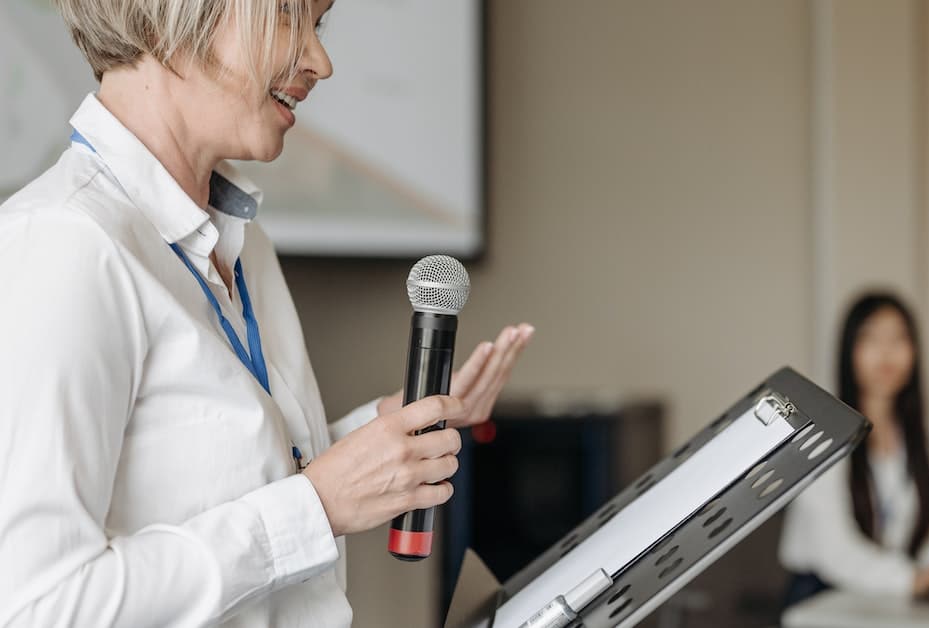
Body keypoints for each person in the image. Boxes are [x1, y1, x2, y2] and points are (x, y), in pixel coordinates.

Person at [0, 1, 532, 625]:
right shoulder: (67, 244)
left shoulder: (245, 241)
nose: (321, 61)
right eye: (288, 15)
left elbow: (215, 478)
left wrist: (388, 430)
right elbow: (40, 606)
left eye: (320, 24)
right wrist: (314, 510)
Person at [778, 292, 929, 606]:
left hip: (893, 591)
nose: (886, 353)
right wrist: (911, 579)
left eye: (899, 339)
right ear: (848, 351)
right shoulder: (818, 432)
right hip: (823, 594)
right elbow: (835, 552)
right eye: (871, 339)